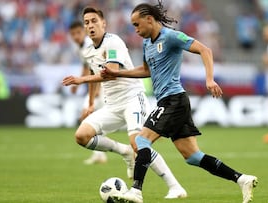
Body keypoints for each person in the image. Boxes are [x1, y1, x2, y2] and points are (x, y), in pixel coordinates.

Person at [101, 1, 258, 203]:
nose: (136, 30)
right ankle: (241, 179)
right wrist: (118, 73)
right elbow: (146, 71)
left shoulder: (171, 37)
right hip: (171, 102)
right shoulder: (147, 43)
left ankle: (136, 191)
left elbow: (205, 50)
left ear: (149, 19)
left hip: (173, 100)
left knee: (141, 140)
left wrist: (209, 79)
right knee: (193, 156)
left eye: (137, 24)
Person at [62, 7, 187, 199]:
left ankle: (175, 186)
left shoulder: (113, 42)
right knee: (81, 136)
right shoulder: (87, 51)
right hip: (111, 105)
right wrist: (90, 104)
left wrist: (81, 80)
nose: (90, 25)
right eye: (86, 22)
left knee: (139, 143)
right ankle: (123, 151)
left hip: (132, 99)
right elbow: (93, 74)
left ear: (103, 23)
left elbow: (110, 73)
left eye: (94, 21)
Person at [68, 21, 107, 164]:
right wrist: (77, 84)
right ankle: (99, 154)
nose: (76, 36)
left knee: (88, 116)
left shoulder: (89, 45)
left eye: (78, 33)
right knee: (91, 119)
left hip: (103, 87)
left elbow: (99, 68)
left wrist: (97, 89)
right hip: (97, 86)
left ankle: (106, 152)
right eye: (73, 34)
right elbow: (87, 67)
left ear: (83, 32)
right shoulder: (80, 48)